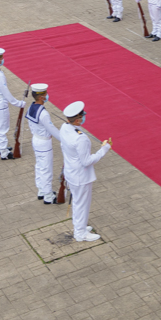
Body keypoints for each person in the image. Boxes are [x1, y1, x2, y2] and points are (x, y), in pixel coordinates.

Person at [60, 101, 112, 241]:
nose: (83, 118)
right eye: (82, 116)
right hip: (81, 176)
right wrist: (103, 150)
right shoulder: (80, 138)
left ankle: (80, 226)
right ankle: (80, 234)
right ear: (77, 119)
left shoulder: (65, 128)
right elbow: (87, 161)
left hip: (71, 172)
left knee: (78, 202)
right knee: (82, 204)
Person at [0, 48, 26, 160]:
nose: (3, 59)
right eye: (1, 57)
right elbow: (6, 94)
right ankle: (4, 153)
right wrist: (18, 103)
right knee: (2, 127)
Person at [26, 84, 63, 204]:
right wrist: (66, 140)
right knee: (46, 168)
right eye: (45, 94)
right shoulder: (43, 113)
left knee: (40, 166)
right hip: (44, 142)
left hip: (36, 139)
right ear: (41, 97)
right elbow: (53, 130)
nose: (47, 95)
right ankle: (48, 196)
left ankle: (41, 190)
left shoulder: (31, 107)